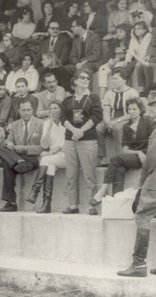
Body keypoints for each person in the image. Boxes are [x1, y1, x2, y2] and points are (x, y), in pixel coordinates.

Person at [118, 91, 156, 278]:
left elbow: (152, 157)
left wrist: (143, 179)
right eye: (150, 105)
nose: (151, 108)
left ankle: (139, 265)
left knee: (142, 217)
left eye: (154, 105)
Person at [92, 98, 155, 205]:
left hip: (146, 156)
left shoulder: (147, 121)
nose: (131, 111)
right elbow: (125, 149)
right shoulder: (126, 126)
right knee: (119, 169)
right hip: (135, 156)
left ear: (141, 110)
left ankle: (102, 190)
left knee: (115, 159)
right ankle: (117, 200)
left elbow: (154, 141)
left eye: (134, 109)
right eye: (129, 109)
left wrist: (143, 153)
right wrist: (138, 152)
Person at [61, 69, 103, 215]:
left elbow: (96, 116)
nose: (86, 80)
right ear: (75, 81)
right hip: (70, 139)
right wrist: (74, 130)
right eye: (82, 78)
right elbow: (63, 117)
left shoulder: (93, 97)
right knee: (71, 174)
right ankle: (73, 205)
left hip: (88, 139)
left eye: (88, 78)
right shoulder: (68, 100)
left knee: (89, 173)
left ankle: (92, 206)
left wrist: (81, 131)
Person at [0, 100, 44, 212]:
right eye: (23, 110)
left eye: (28, 110)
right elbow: (8, 140)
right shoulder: (15, 125)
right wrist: (9, 143)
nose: (26, 112)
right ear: (19, 111)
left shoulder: (41, 124)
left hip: (33, 157)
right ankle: (19, 161)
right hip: (18, 157)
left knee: (7, 164)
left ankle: (10, 202)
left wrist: (25, 148)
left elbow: (44, 147)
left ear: (32, 110)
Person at [26, 101, 66, 213]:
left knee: (45, 159)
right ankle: (46, 204)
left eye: (55, 108)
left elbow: (63, 144)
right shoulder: (47, 123)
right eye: (51, 108)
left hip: (65, 155)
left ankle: (35, 191)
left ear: (61, 110)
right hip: (53, 157)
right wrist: (49, 126)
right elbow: (44, 145)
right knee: (50, 167)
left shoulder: (66, 123)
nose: (52, 111)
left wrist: (50, 153)